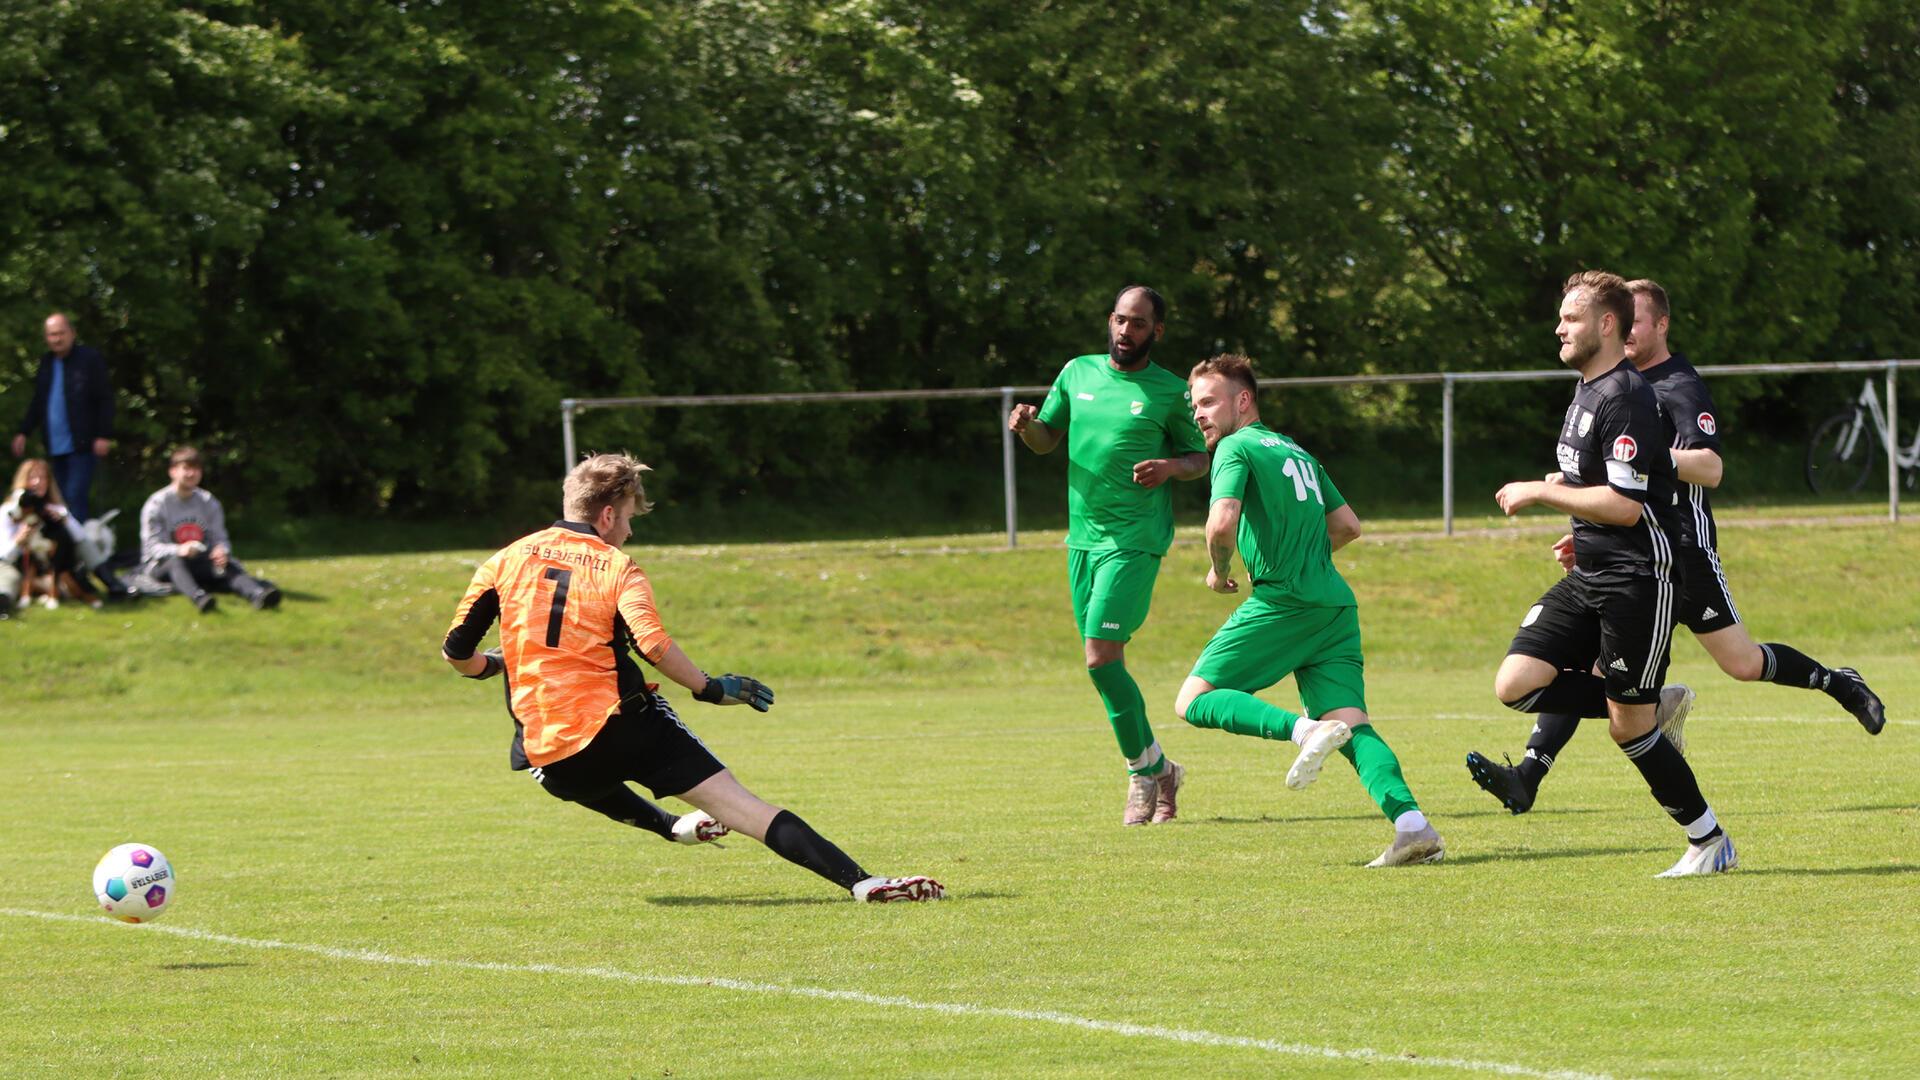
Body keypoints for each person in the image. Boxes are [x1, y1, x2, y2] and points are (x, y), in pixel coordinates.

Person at [441, 453, 943, 903]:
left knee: (565, 768)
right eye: (631, 519)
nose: (630, 532)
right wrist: (709, 688)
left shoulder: (504, 560)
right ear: (609, 514)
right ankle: (862, 882)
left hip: (546, 744)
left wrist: (491, 665)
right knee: (744, 809)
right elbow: (653, 644)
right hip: (624, 723)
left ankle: (673, 828)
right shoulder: (618, 567)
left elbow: (456, 650)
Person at [1466, 280, 1886, 815]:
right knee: (1596, 664)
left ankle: (1838, 682)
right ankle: (1530, 773)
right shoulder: (1606, 386)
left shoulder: (1676, 386)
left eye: (1640, 321)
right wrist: (1585, 526)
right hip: (1631, 552)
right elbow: (1616, 488)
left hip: (1683, 550)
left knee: (1741, 662)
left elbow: (1710, 467)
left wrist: (1644, 458)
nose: (1630, 330)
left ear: (1659, 325)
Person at [1481, 270, 1736, 876]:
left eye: (1570, 318)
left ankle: (1709, 840)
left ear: (1605, 325)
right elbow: (1593, 488)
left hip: (1640, 580)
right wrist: (1575, 528)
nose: (1558, 327)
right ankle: (1651, 702)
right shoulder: (1586, 390)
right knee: (1514, 682)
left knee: (1629, 731)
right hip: (1592, 572)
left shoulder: (1625, 395)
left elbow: (1624, 505)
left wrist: (1540, 493)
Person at [1173, 355, 1444, 865]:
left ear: (1243, 400)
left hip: (1285, 602)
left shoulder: (1235, 446)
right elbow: (1348, 526)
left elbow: (1221, 523)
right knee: (1352, 723)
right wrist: (1307, 557)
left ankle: (1304, 732)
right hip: (1334, 604)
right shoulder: (1296, 451)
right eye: (1194, 405)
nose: (1199, 414)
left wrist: (1218, 568)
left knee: (1192, 700)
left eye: (1209, 401)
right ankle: (1413, 826)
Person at [1008, 285, 1212, 825]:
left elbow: (1202, 458)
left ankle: (1140, 776)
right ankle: (1162, 768)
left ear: (1156, 332)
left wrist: (1171, 468)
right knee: (1104, 666)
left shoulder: (1171, 391)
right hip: (1082, 540)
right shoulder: (1076, 372)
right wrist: (1028, 427)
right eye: (1120, 320)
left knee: (1100, 655)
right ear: (1110, 321)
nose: (1126, 331)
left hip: (1134, 540)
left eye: (1138, 323)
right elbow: (1048, 438)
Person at [138, 446, 281, 613]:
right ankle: (200, 598)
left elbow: (220, 537)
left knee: (226, 564)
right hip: (163, 565)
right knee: (175, 561)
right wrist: (180, 549)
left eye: (196, 469)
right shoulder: (157, 504)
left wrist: (222, 550)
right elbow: (151, 548)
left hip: (200, 560)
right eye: (186, 468)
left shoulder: (208, 502)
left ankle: (258, 594)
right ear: (173, 471)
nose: (192, 474)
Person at [13, 313, 113, 524]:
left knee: (75, 497)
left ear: (72, 333)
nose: (56, 339)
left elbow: (105, 398)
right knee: (56, 500)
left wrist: (104, 435)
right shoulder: (46, 363)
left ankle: (77, 552)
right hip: (55, 446)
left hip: (82, 445)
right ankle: (60, 550)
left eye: (60, 333)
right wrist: (24, 431)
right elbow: (38, 401)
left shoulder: (89, 359)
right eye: (51, 335)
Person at [2, 457, 98, 609]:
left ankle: (110, 582)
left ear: (49, 482)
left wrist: (64, 519)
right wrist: (18, 540)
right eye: (33, 477)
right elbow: (4, 556)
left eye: (43, 477)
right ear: (23, 480)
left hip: (55, 567)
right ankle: (9, 598)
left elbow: (80, 538)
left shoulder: (55, 508)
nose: (38, 482)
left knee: (79, 549)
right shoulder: (9, 511)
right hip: (13, 565)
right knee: (11, 578)